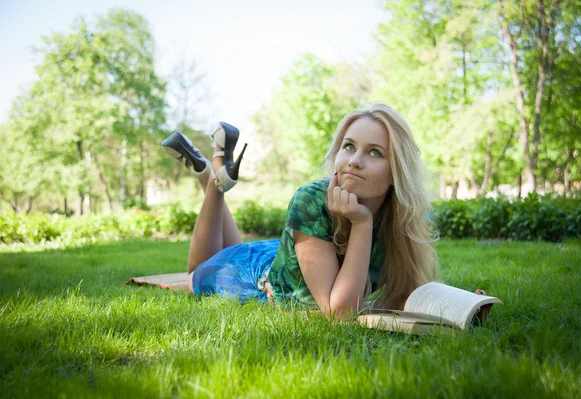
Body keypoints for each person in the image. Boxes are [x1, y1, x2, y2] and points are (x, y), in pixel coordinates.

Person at [162, 102, 478, 319]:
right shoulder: (311, 200)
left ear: (397, 171)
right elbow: (338, 313)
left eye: (375, 152)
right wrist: (362, 223)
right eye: (349, 146)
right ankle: (211, 181)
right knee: (196, 273)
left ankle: (213, 174)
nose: (355, 160)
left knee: (233, 247)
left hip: (292, 256)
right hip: (252, 278)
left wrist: (462, 304)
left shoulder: (405, 214)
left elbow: (407, 291)